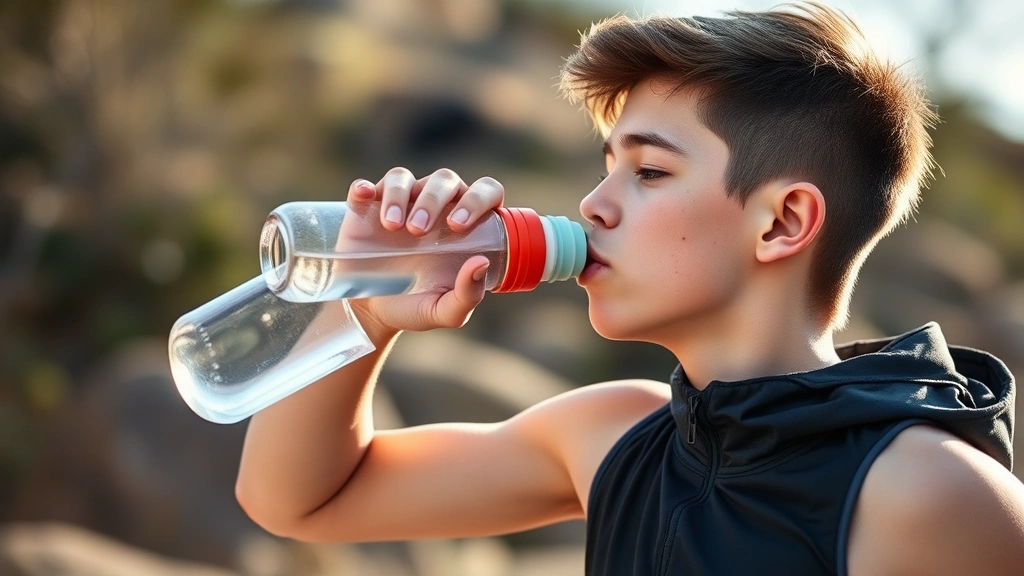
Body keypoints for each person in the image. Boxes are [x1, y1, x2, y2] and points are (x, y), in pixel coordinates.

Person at [234, 3, 1024, 574]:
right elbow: (297, 501)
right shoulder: (613, 434)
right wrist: (367, 308)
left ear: (783, 222)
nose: (593, 204)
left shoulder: (930, 495)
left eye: (648, 171)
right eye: (607, 164)